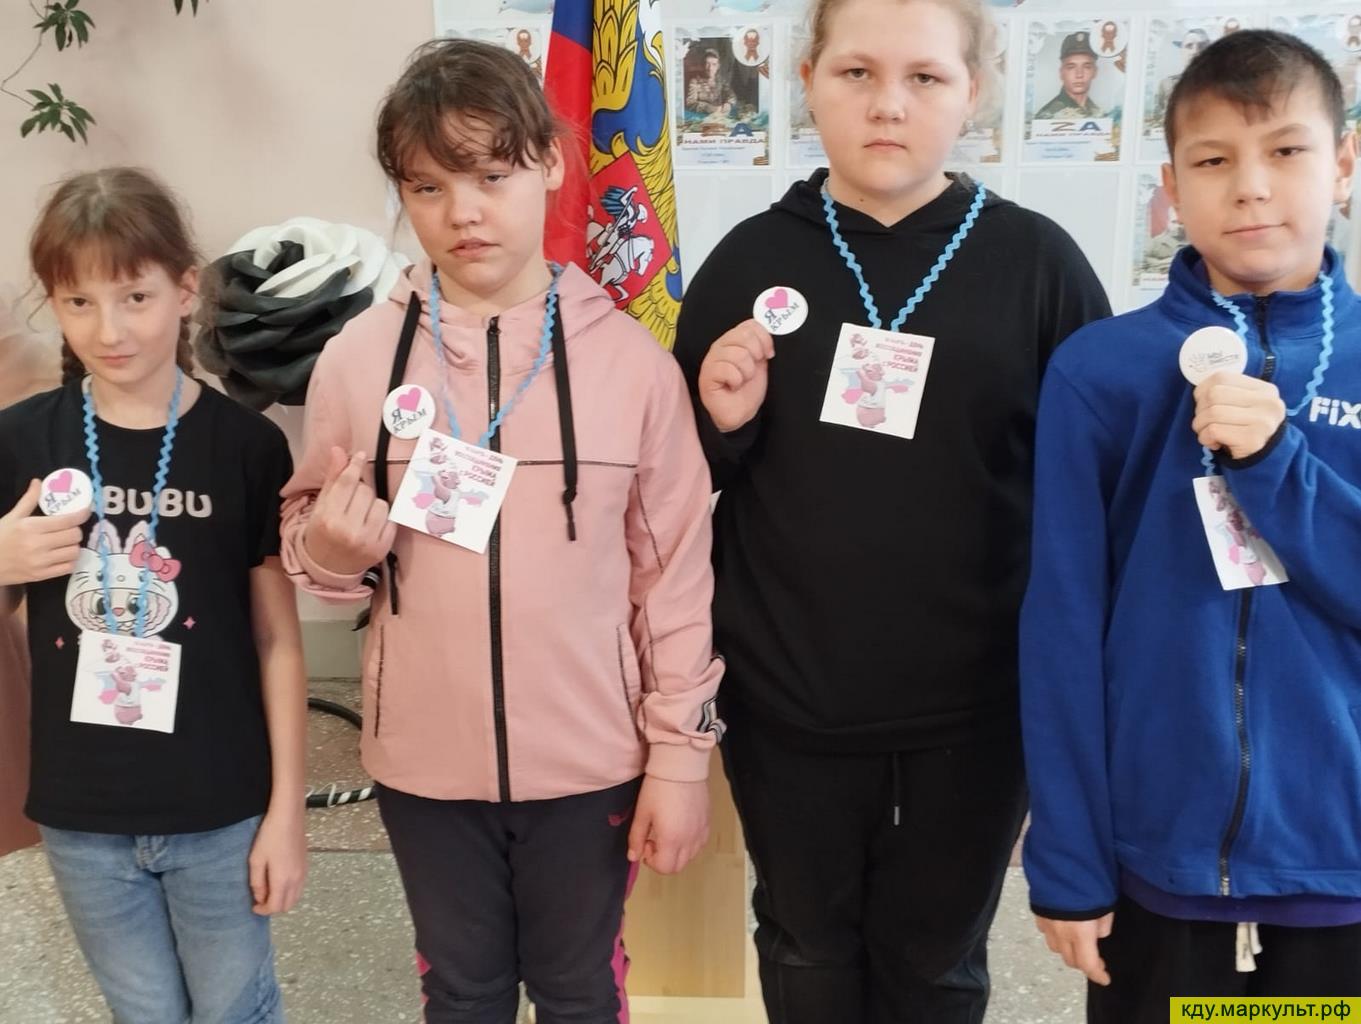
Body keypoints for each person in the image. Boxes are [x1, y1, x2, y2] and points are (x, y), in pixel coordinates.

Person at [671, 0, 1111, 1020]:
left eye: (924, 78)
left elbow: (1090, 497)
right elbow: (670, 490)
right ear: (807, 82)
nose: (886, 105)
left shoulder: (1037, 266)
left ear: (973, 94)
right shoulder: (747, 261)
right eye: (855, 73)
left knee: (936, 959)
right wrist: (718, 423)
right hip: (787, 698)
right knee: (804, 944)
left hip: (974, 710)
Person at [278, 38, 723, 1023]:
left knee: (577, 989)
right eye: (428, 187)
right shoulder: (357, 360)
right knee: (462, 989)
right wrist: (331, 554)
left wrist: (679, 757)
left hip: (592, 758)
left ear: (551, 164)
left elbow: (674, 578)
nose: (463, 212)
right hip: (422, 763)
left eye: (491, 175)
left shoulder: (634, 369)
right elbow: (308, 537)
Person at [1022, 30, 1361, 1018]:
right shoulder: (1100, 370)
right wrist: (1068, 857)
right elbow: (1060, 624)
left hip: (1341, 865)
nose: (1249, 187)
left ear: (1342, 163)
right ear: (1170, 185)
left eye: (1285, 151)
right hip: (1155, 864)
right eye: (1212, 161)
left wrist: (1274, 463)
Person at [0, 166, 307, 1023]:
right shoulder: (22, 440)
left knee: (235, 1009)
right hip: (82, 812)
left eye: (135, 297)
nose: (110, 330)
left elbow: (279, 642)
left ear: (184, 288)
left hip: (221, 806)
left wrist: (287, 813)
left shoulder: (245, 448)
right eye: (79, 302)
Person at [1035, 31, 1104, 119]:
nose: (1079, 74)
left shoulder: (1099, 113)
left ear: (1095, 72)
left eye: (1087, 67)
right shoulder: (1048, 116)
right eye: (1071, 67)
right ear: (1061, 73)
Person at [687, 48, 735, 116]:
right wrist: (708, 108)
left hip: (719, 115)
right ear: (702, 65)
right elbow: (690, 103)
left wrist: (728, 104)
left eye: (714, 64)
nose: (710, 68)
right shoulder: (695, 81)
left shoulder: (721, 80)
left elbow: (731, 95)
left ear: (718, 66)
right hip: (700, 117)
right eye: (707, 64)